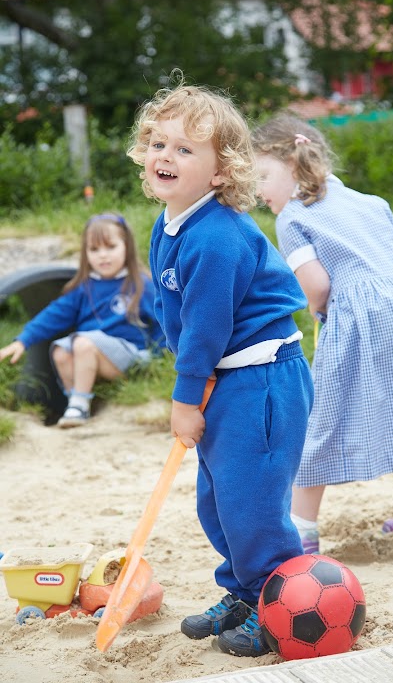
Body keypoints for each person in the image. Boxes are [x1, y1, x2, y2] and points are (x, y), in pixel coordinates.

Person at [126, 82, 314, 657]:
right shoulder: (171, 222)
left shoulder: (217, 236)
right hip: (227, 377)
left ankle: (278, 604)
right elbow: (172, 310)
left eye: (186, 150)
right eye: (159, 143)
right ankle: (243, 590)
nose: (166, 156)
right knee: (217, 498)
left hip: (261, 380)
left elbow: (206, 325)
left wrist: (186, 396)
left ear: (219, 171)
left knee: (251, 502)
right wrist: (197, 381)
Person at [252, 112, 393, 555]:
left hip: (356, 317)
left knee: (322, 417)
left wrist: (324, 313)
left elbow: (316, 286)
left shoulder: (294, 217)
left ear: (292, 165)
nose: (259, 190)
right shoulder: (370, 202)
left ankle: (301, 528)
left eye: (262, 175)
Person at [0, 213, 165, 428]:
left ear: (127, 247)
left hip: (131, 355)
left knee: (82, 343)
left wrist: (158, 358)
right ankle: (80, 404)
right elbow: (53, 315)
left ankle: (79, 404)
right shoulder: (84, 288)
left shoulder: (140, 284)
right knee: (60, 351)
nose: (103, 256)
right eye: (94, 250)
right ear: (85, 254)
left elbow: (164, 321)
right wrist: (23, 340)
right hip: (91, 353)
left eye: (110, 247)